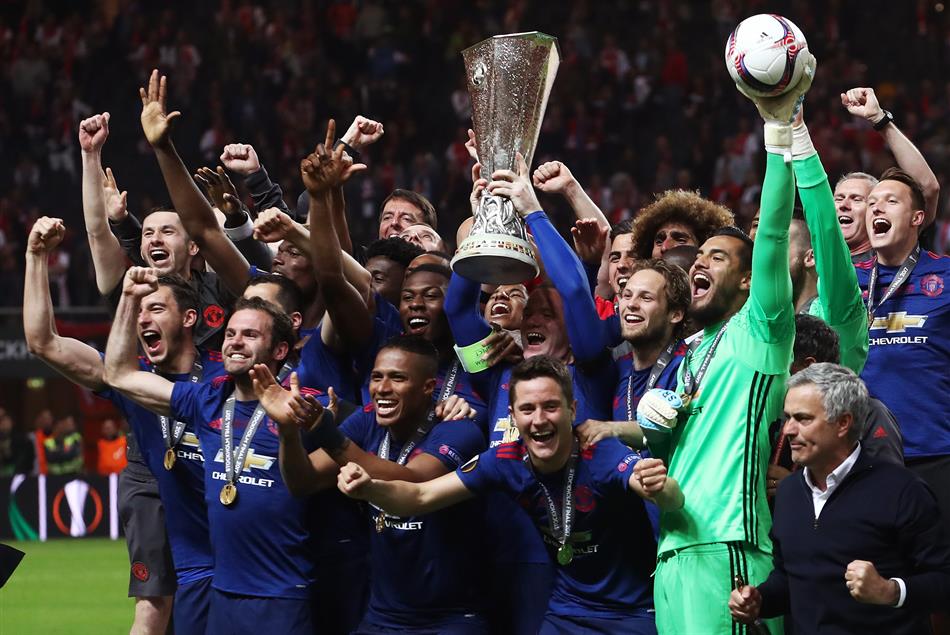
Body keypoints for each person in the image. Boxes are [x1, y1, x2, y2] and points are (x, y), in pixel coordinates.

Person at [649, 52, 815, 634]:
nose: (699, 262)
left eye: (717, 257)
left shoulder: (760, 330)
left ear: (748, 282)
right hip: (673, 551)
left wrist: (778, 131)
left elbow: (770, 236)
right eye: (698, 255)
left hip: (731, 547)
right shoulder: (691, 352)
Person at [337, 355, 684, 634]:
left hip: (632, 612)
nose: (539, 420)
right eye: (527, 409)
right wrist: (370, 487)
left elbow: (672, 500)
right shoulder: (505, 460)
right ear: (514, 416)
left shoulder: (601, 453)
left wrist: (659, 486)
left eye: (550, 406)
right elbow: (419, 497)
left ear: (572, 410)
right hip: (566, 610)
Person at [24, 217, 219, 635]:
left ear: (189, 318)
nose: (143, 318)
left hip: (220, 510)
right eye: (139, 310)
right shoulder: (130, 378)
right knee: (153, 609)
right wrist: (35, 257)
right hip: (158, 497)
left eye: (156, 308)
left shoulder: (224, 377)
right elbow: (44, 343)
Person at [105, 275, 319, 634]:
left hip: (282, 595)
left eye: (250, 335)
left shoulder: (307, 406)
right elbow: (119, 374)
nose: (235, 342)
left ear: (280, 350)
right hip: (221, 593)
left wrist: (310, 425)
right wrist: (127, 297)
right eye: (230, 333)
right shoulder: (207, 400)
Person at [267, 335, 488, 633]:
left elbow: (414, 481)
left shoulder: (459, 430)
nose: (382, 388)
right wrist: (288, 431)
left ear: (427, 387)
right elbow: (303, 481)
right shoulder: (367, 420)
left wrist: (326, 432)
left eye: (398, 378)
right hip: (382, 617)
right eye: (376, 377)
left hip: (450, 619)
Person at [729, 363, 950, 634]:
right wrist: (759, 600)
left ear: (843, 423)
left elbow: (943, 580)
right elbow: (789, 579)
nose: (788, 430)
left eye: (803, 419)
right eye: (787, 417)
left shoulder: (903, 490)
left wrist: (890, 590)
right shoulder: (788, 493)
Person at [855, 166, 950, 526]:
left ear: (917, 218)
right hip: (865, 459)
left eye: (891, 201)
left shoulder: (946, 274)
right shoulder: (848, 281)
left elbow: (930, 185)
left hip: (937, 454)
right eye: (872, 203)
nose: (877, 208)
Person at [835, 86, 940, 263]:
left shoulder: (896, 250)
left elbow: (927, 188)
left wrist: (879, 119)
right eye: (838, 199)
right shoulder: (814, 259)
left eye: (857, 199)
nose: (844, 205)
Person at [0, 410, 34, 477]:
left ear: (11, 422)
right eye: (1, 421)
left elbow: (25, 461)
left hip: (18, 475)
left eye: (5, 420)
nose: (3, 424)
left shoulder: (23, 440)